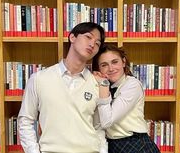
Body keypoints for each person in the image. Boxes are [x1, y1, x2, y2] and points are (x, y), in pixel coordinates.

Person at [18, 22, 108, 153]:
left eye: (98, 43)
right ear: (72, 37)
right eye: (88, 37)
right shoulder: (39, 79)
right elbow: (25, 120)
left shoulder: (97, 83)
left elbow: (99, 127)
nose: (92, 44)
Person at [92, 45, 160, 153]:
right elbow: (97, 124)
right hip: (113, 145)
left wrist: (103, 83)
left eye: (115, 62)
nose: (111, 68)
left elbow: (106, 121)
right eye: (104, 65)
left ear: (123, 62)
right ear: (99, 69)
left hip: (136, 145)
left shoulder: (132, 85)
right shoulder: (102, 87)